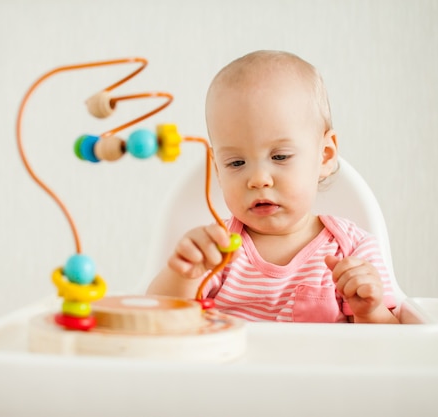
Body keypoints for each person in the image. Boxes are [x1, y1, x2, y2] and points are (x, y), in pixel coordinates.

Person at [147, 50, 399, 324]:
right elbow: (157, 318)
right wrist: (184, 275)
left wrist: (370, 311)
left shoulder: (353, 249)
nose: (258, 179)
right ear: (217, 169)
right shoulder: (217, 250)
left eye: (280, 157)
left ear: (325, 155)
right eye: (236, 162)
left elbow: (386, 347)